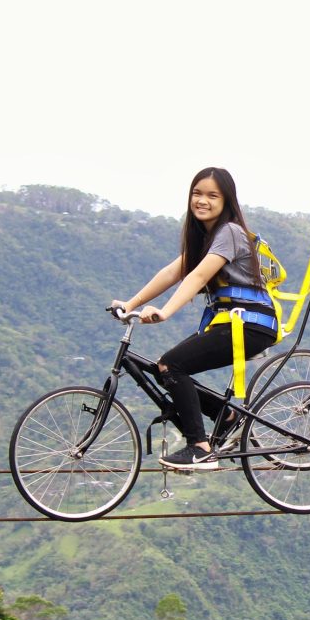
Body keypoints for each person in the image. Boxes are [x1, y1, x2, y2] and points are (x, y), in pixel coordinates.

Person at [113, 167, 280, 470]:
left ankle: (200, 449)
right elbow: (171, 273)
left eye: (212, 195)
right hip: (233, 322)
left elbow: (200, 274)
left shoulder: (230, 231)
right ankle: (227, 416)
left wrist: (164, 311)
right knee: (165, 369)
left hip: (252, 324)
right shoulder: (207, 236)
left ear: (226, 201)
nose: (202, 201)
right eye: (197, 193)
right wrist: (131, 303)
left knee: (172, 365)